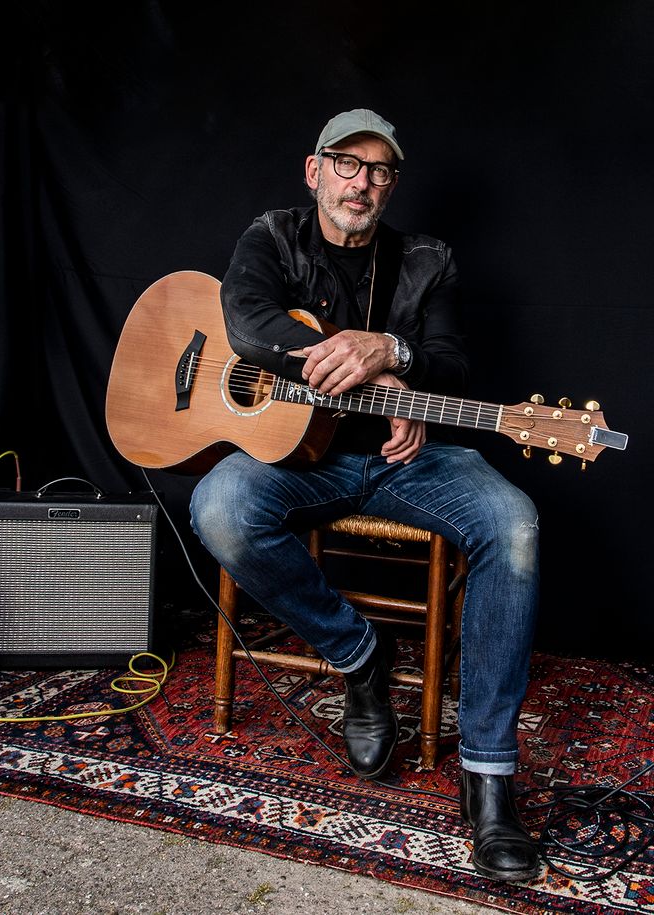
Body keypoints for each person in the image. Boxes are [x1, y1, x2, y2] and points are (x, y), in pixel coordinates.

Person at [189, 109, 541, 883]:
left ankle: (488, 778)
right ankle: (360, 651)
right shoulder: (271, 236)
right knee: (218, 506)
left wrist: (396, 354)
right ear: (314, 171)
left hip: (408, 459)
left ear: (391, 184)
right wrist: (362, 365)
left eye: (379, 170)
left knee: (513, 522)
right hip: (298, 459)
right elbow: (248, 325)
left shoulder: (428, 260)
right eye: (347, 164)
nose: (362, 183)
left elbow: (451, 363)